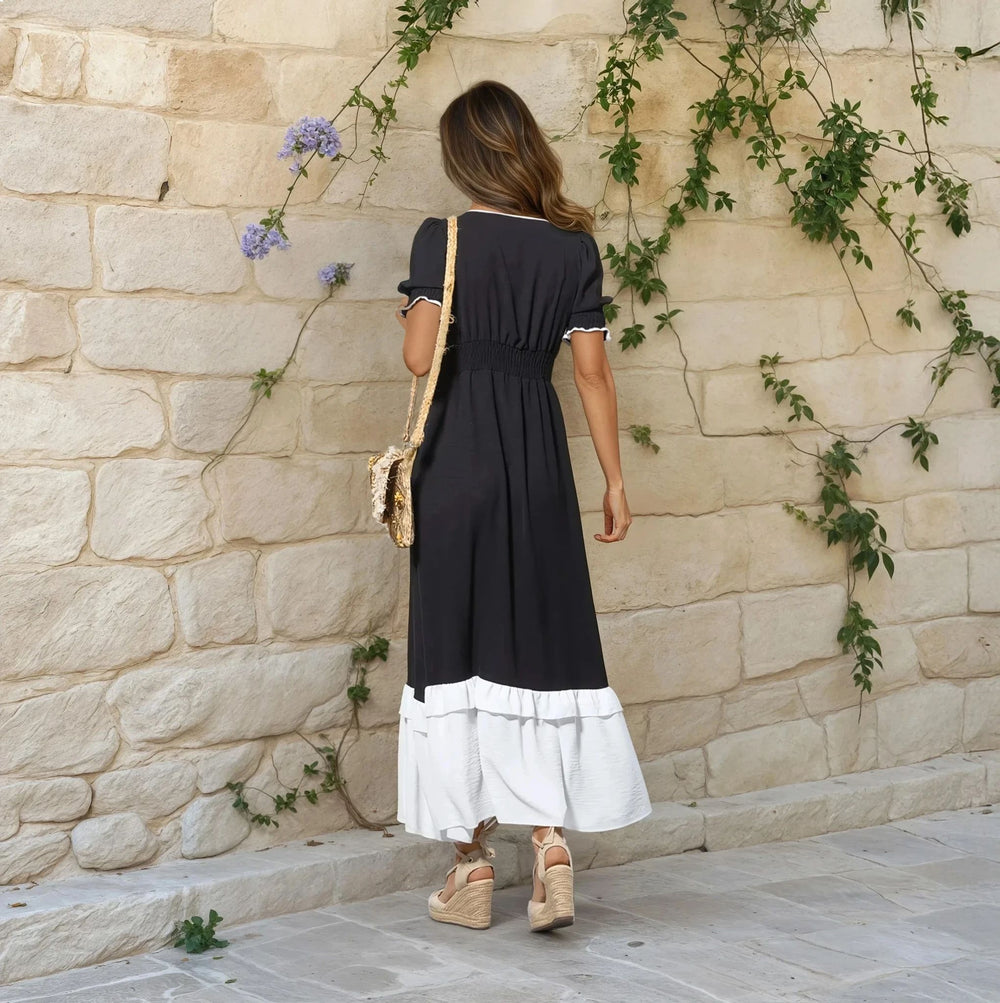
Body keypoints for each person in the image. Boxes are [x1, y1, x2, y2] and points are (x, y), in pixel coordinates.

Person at [393, 80, 651, 933]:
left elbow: (420, 357)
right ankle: (549, 845)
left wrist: (416, 305)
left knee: (454, 646)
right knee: (538, 641)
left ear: (462, 156)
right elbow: (591, 374)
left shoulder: (443, 237)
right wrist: (614, 479)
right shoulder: (574, 250)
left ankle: (470, 866)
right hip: (539, 460)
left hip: (457, 460)